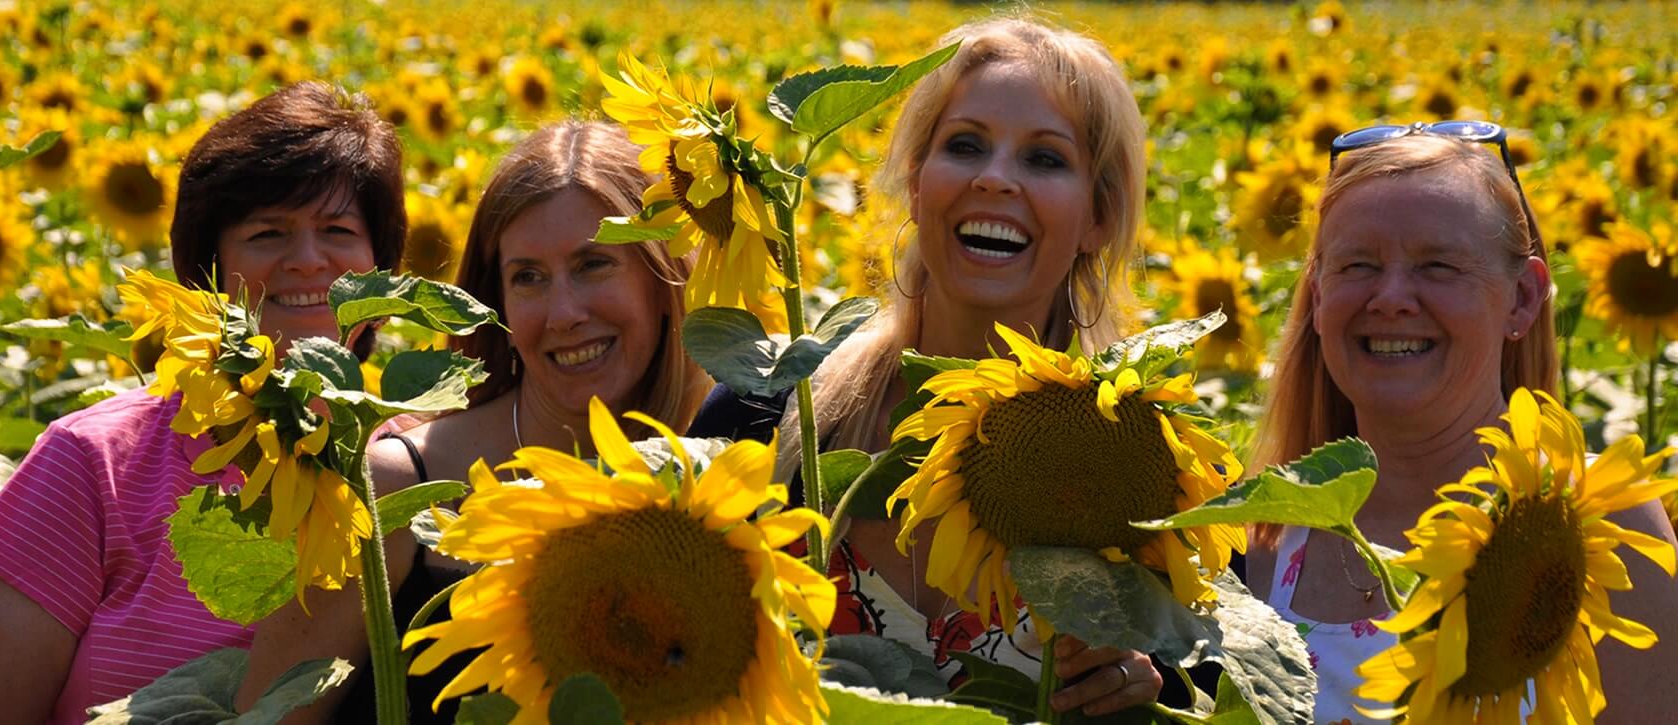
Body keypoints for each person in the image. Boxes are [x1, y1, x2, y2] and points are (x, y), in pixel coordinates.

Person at [689, 16, 1164, 716]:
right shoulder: (772, 418)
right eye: (965, 146)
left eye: (1044, 159)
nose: (995, 179)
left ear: (1098, 216)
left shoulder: (1149, 473)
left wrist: (1150, 690)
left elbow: (1219, 674)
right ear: (916, 183)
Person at [0, 81, 407, 725]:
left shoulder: (412, 465)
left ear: (381, 265)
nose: (308, 260)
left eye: (337, 229)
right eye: (267, 233)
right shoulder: (95, 464)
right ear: (207, 266)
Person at [235, 119, 711, 723]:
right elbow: (270, 713)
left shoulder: (736, 455)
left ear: (662, 274)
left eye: (593, 265)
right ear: (497, 304)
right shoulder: (395, 487)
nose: (563, 313)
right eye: (528, 277)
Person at [1245, 124, 1678, 723]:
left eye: (1439, 266)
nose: (1391, 297)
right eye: (1358, 265)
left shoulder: (1595, 521)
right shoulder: (1266, 540)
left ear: (1523, 299)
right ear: (1318, 297)